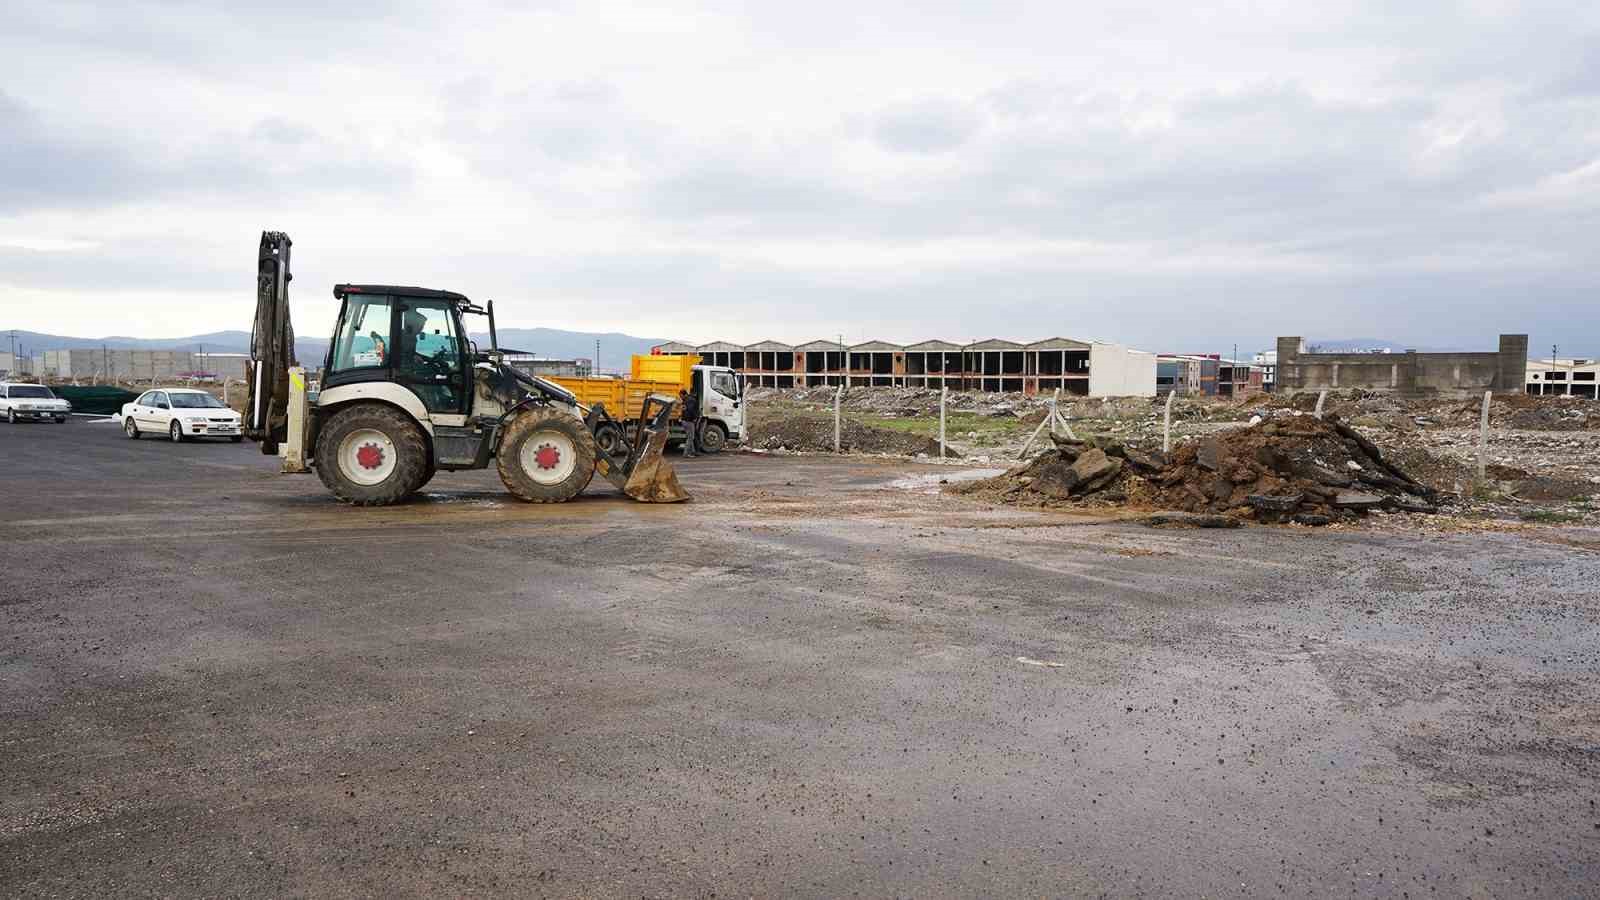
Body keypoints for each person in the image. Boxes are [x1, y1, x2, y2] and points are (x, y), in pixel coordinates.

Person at [679, 387, 700, 458]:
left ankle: (692, 452)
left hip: (685, 420)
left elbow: (688, 410)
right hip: (688, 421)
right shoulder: (690, 400)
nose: (680, 397)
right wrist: (694, 418)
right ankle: (686, 453)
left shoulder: (686, 400)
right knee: (690, 438)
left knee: (690, 437)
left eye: (680, 395)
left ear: (684, 394)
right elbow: (691, 411)